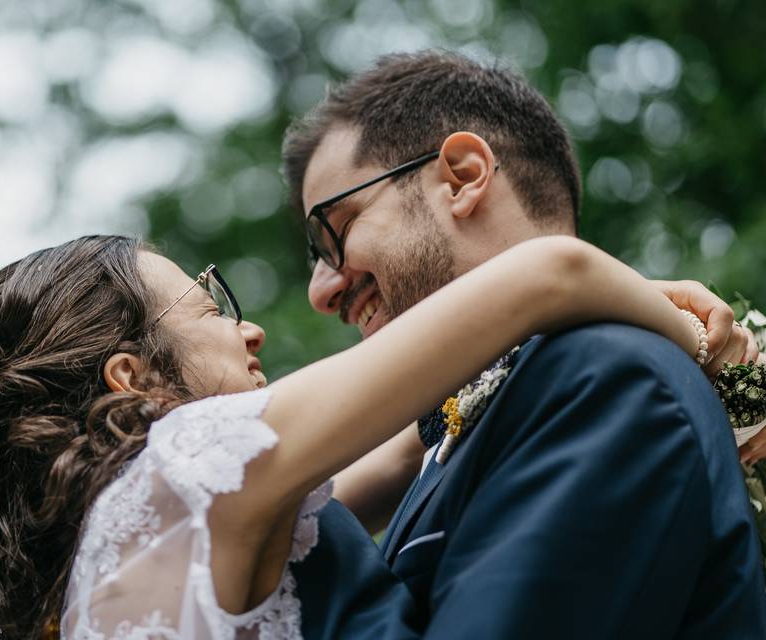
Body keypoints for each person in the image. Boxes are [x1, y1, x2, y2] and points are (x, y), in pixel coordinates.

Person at [0, 234, 730, 639]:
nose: (252, 330)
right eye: (210, 307)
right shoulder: (182, 467)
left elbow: (405, 446)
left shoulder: (108, 560)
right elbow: (552, 271)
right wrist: (707, 349)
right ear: (132, 379)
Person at [282, 50, 766, 636]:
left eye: (334, 231)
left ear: (463, 176)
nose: (321, 291)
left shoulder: (606, 379)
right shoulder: (464, 421)